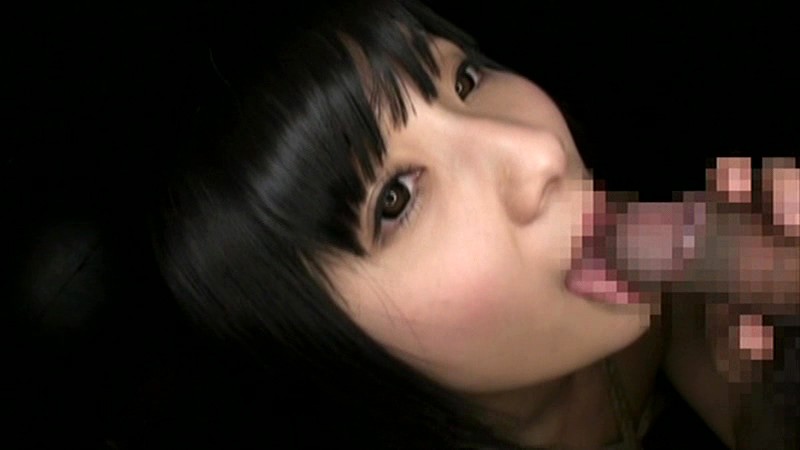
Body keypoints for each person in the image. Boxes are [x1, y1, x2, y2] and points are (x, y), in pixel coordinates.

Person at [148, 0, 799, 448]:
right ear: (318, 345)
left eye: (465, 79)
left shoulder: (693, 306)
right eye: (396, 199)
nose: (541, 153)